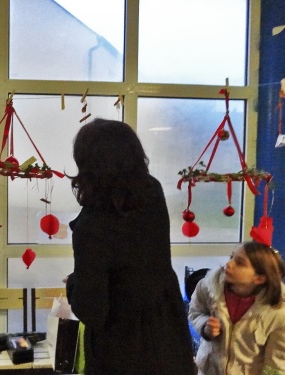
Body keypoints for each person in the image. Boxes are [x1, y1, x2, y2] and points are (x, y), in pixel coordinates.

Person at [65, 118, 196, 375]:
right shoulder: (152, 194)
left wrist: (73, 283)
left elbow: (92, 310)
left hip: (122, 351)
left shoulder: (92, 226)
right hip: (168, 335)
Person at [188, 241, 285, 375]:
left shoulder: (278, 311)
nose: (229, 263)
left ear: (260, 278)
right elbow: (195, 311)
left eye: (240, 263)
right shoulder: (208, 287)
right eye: (231, 257)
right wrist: (205, 326)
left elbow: (276, 362)